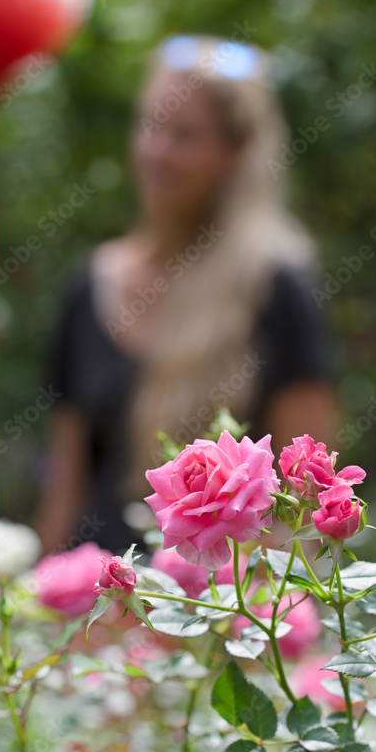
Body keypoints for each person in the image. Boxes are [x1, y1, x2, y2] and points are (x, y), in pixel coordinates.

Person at [36, 35, 337, 555]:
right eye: (150, 125)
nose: (157, 151)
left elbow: (305, 499)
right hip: (100, 607)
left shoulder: (275, 287)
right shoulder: (89, 284)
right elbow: (65, 484)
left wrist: (257, 624)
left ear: (235, 154)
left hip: (217, 615)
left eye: (185, 135)